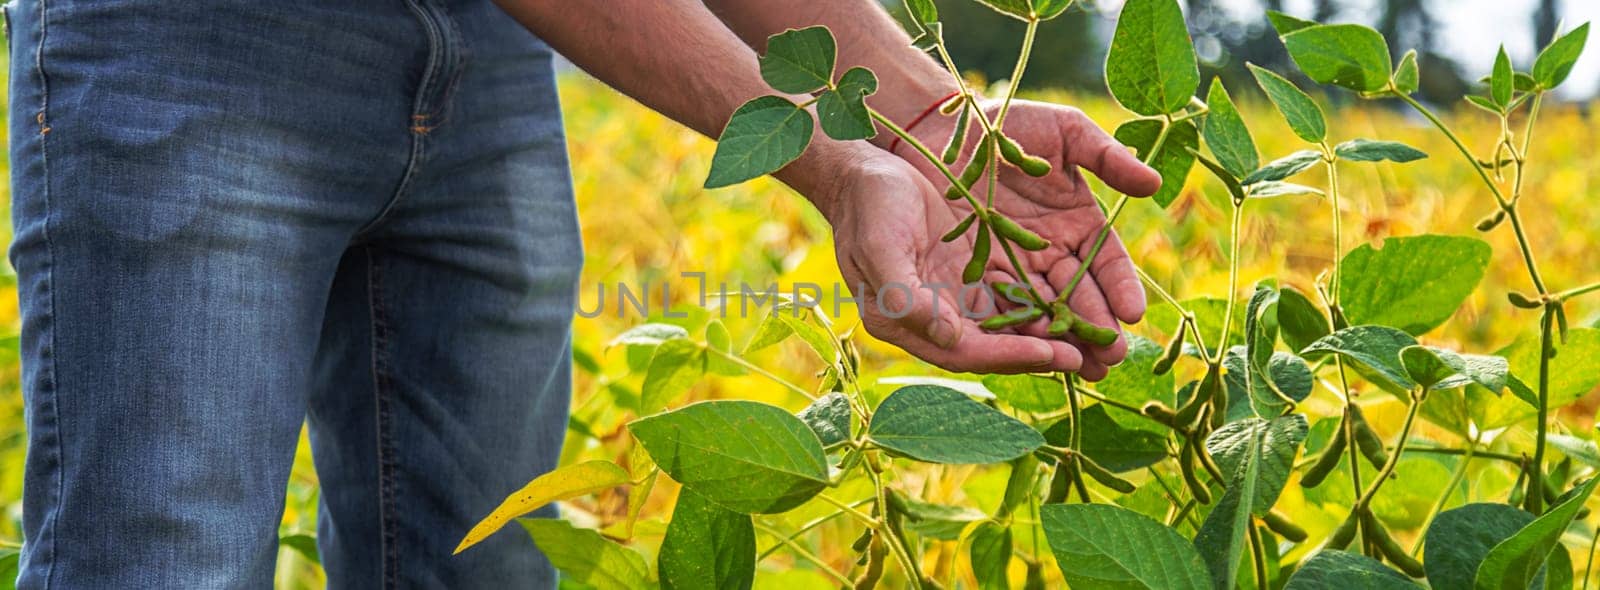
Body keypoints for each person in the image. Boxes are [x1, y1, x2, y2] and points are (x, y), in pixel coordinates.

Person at [4, 0, 1158, 586]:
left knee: (486, 561)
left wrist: (934, 124)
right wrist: (833, 155)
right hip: (194, 36)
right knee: (164, 559)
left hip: (489, 51)